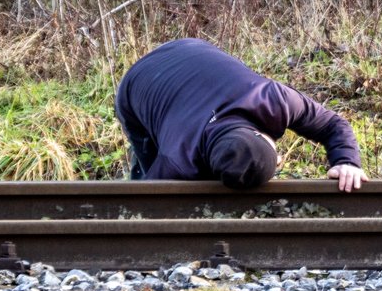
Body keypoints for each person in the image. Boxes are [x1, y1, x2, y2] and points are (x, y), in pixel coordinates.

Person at [115, 38, 368, 191]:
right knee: (147, 170)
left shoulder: (274, 100)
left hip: (190, 48)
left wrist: (347, 161)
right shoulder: (175, 159)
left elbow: (333, 124)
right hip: (136, 84)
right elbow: (147, 205)